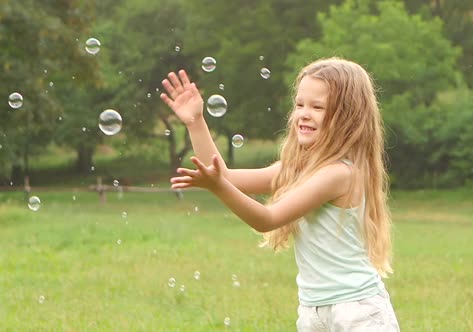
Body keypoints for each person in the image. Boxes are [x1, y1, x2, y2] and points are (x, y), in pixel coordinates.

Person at [160, 57, 400, 332]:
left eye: (317, 107)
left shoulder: (339, 174)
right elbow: (223, 175)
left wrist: (218, 186)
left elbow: (267, 219)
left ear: (347, 118)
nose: (303, 114)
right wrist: (195, 122)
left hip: (356, 310)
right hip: (313, 309)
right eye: (299, 105)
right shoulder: (298, 169)